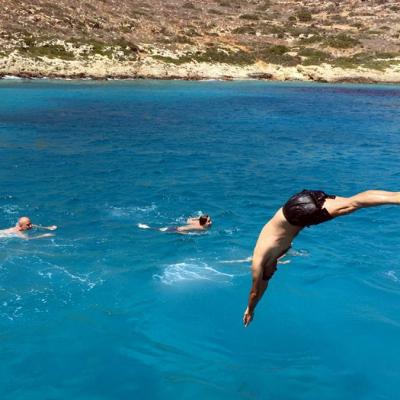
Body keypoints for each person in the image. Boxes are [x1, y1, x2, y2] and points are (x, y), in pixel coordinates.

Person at [243, 189, 400, 327]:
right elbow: (263, 286)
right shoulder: (268, 255)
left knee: (352, 204)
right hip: (295, 202)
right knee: (352, 202)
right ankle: (396, 196)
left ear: (265, 268)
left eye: (272, 271)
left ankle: (396, 198)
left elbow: (255, 292)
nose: (275, 269)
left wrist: (250, 310)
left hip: (298, 213)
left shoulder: (259, 263)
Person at [138, 214, 212, 233]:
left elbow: (188, 220)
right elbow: (182, 228)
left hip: (175, 227)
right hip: (175, 229)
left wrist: (198, 218)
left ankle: (146, 227)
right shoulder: (201, 228)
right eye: (208, 221)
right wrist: (184, 233)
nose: (210, 222)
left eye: (210, 220)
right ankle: (145, 227)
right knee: (158, 230)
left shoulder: (197, 221)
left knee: (160, 229)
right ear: (203, 223)